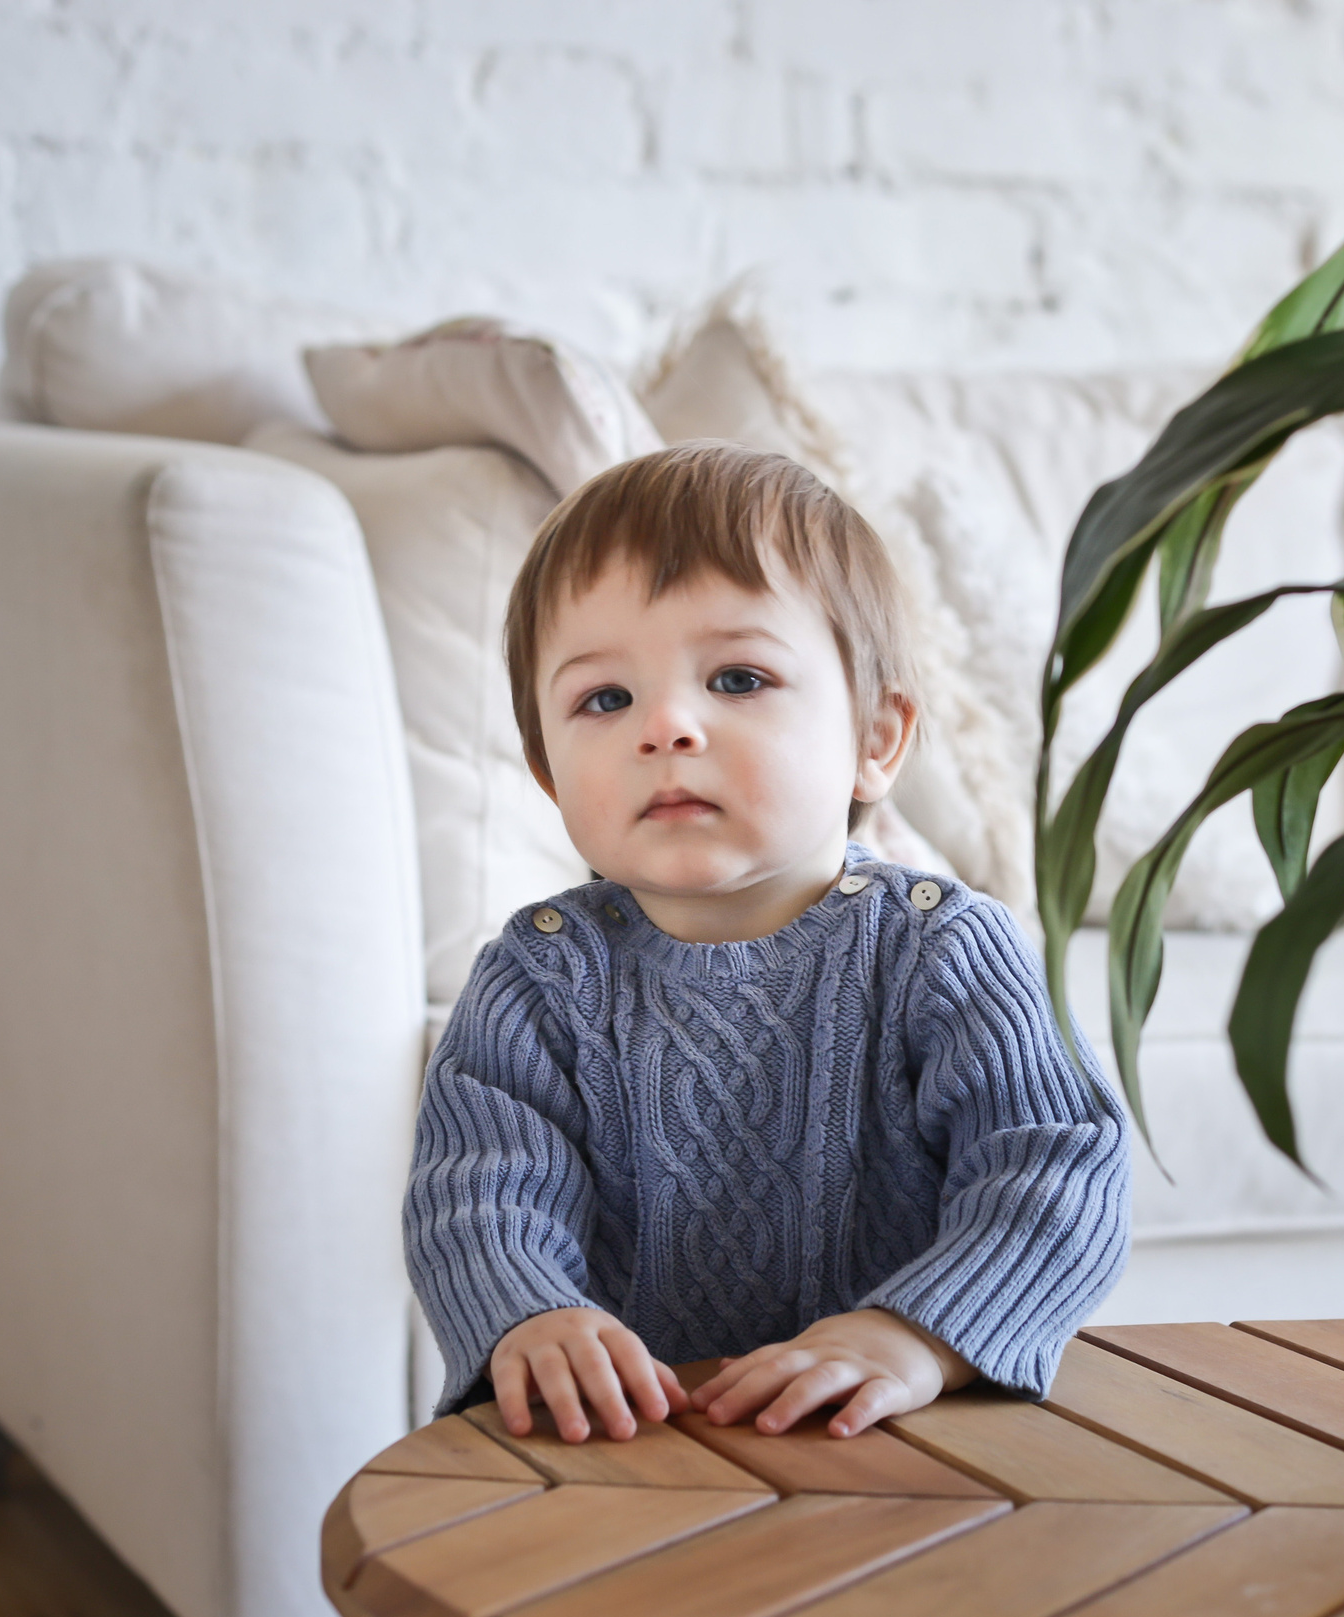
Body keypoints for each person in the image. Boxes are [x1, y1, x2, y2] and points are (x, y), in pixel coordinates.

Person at [404, 442, 1129, 1448]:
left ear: (875, 739)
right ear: (546, 769)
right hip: (633, 1443)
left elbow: (1058, 1166)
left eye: (737, 678)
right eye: (603, 700)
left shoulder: (945, 951)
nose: (664, 726)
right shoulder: (537, 980)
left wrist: (913, 1339)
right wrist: (532, 1315)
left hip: (904, 1433)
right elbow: (477, 1191)